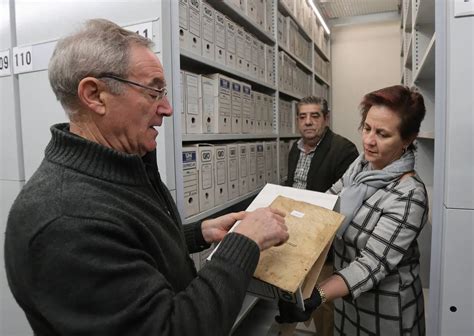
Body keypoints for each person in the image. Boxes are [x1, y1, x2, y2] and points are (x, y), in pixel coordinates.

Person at [4, 19, 289, 336]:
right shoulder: (64, 220)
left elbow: (128, 243)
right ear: (95, 95)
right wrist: (243, 243)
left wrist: (193, 235)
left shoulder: (119, 168)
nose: (167, 108)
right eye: (154, 91)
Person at [276, 85, 428, 336]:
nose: (369, 140)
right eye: (367, 128)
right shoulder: (361, 166)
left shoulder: (409, 194)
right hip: (347, 302)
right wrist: (282, 217)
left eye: (383, 134)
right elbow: (330, 200)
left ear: (408, 139)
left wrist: (316, 296)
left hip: (385, 311)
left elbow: (371, 264)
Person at [283, 96, 358, 335]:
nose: (308, 122)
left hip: (323, 239)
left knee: (322, 299)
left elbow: (346, 200)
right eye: (302, 117)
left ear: (326, 119)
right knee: (292, 292)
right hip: (294, 234)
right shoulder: (294, 150)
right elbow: (293, 185)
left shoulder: (343, 150)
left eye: (314, 116)